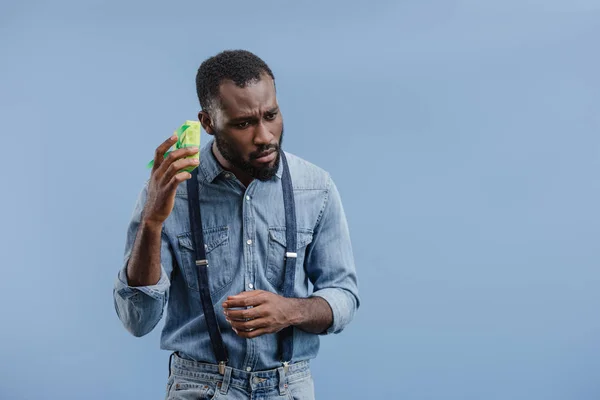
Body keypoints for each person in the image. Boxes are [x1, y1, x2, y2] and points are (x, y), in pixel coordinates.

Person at [113, 49, 360, 400]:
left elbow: (344, 297)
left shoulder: (316, 187)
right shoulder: (170, 191)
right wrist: (152, 223)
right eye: (244, 123)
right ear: (208, 122)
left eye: (271, 115)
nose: (265, 136)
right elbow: (137, 320)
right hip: (200, 386)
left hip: (288, 387)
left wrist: (288, 310)